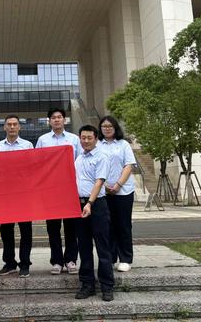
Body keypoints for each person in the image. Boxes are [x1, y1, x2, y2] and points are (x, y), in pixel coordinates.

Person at [35, 107, 81, 275]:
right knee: (52, 228)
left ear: (64, 120)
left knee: (71, 227)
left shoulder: (74, 139)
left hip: (69, 189)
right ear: (49, 121)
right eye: (53, 117)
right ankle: (56, 261)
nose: (56, 120)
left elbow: (80, 162)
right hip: (50, 190)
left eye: (59, 117)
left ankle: (70, 260)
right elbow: (38, 163)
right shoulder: (43, 140)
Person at [74, 124, 114, 301]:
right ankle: (87, 285)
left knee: (103, 248)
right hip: (79, 206)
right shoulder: (79, 158)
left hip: (96, 206)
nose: (86, 141)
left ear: (96, 139)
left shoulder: (102, 157)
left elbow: (99, 182)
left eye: (89, 138)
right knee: (83, 247)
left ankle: (107, 287)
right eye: (83, 138)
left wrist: (89, 203)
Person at [0, 115, 34, 278]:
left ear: (20, 127)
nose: (12, 127)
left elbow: (33, 168)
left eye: (15, 124)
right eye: (9, 124)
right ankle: (9, 262)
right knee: (6, 229)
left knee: (26, 230)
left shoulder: (28, 145)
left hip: (23, 194)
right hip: (5, 195)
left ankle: (25, 263)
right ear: (4, 127)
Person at [97, 115, 136, 272]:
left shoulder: (123, 144)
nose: (106, 128)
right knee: (107, 226)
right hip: (103, 191)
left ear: (115, 128)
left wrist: (118, 184)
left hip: (124, 191)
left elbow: (128, 165)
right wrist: (104, 185)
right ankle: (111, 257)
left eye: (109, 126)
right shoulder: (97, 145)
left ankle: (126, 258)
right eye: (104, 126)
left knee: (123, 225)